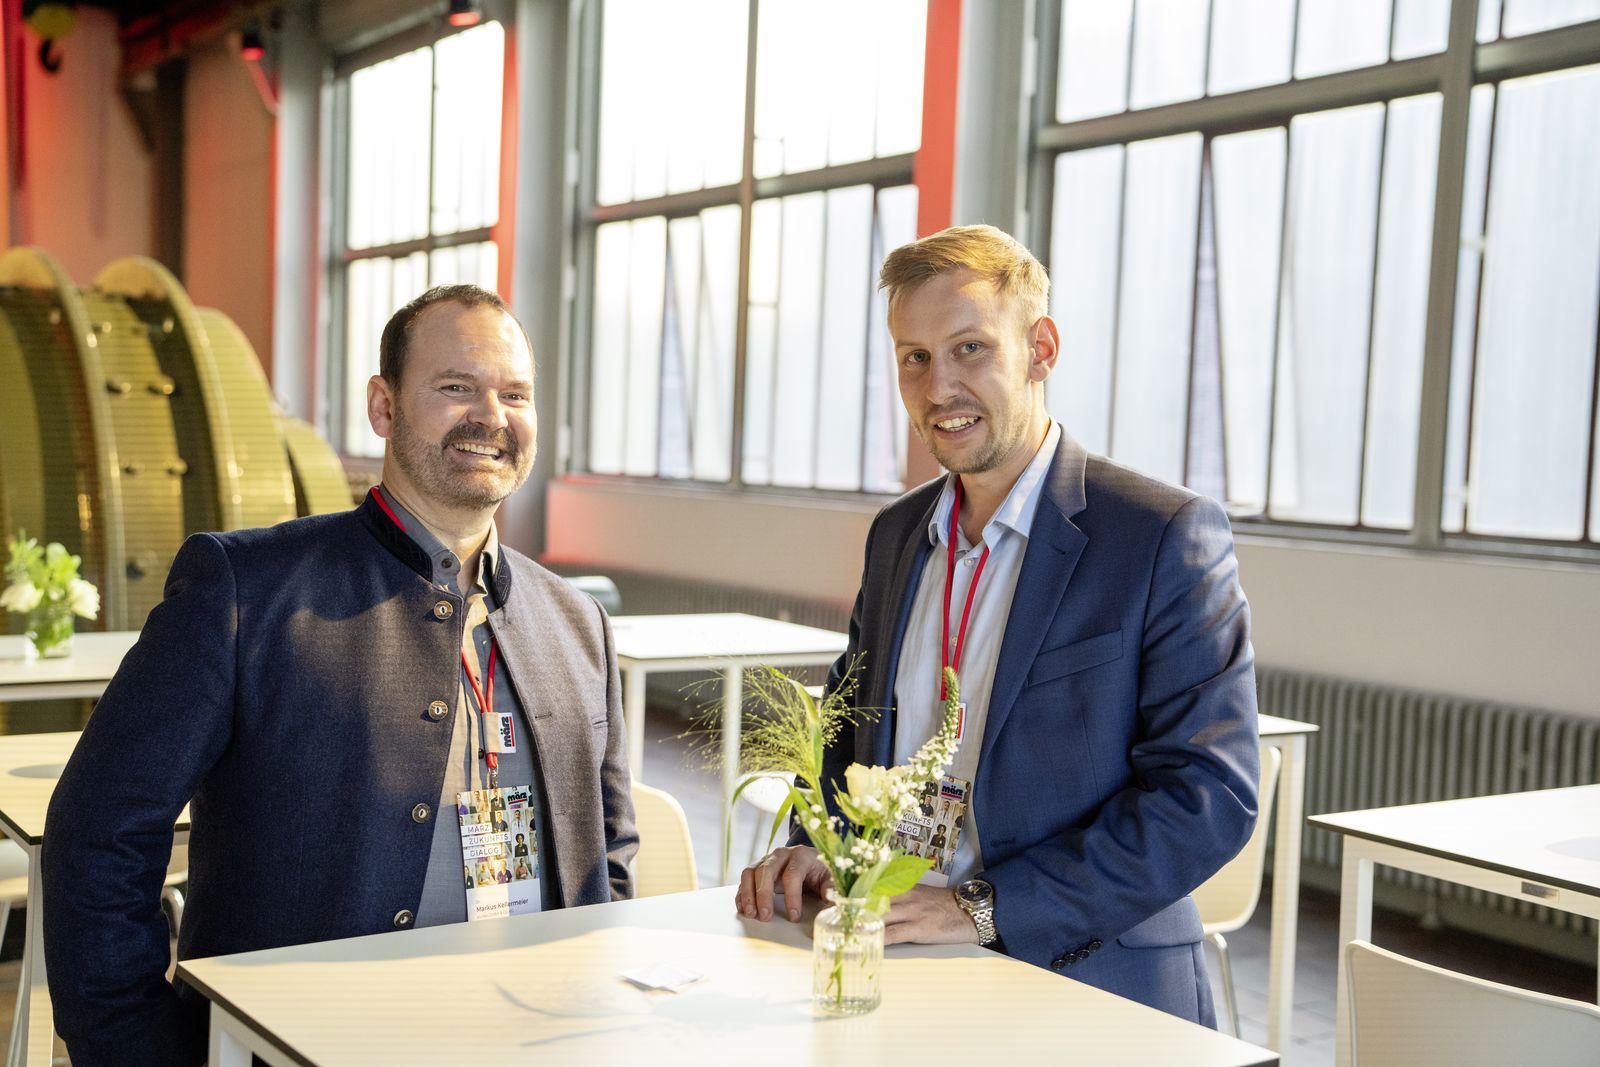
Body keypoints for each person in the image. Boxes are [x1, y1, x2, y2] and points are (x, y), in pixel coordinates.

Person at [42, 284, 639, 1065]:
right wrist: (141, 1046)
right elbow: (100, 834)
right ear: (383, 406)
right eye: (456, 386)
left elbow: (610, 853)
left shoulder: (577, 622)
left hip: (536, 1039)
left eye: (515, 394)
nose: (491, 416)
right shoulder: (246, 592)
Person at [737, 226, 1258, 1025]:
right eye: (914, 357)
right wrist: (818, 843)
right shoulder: (898, 535)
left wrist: (982, 907)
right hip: (903, 957)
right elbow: (848, 727)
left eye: (970, 348)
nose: (939, 386)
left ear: (1040, 350)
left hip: (1088, 979)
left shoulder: (1159, 535)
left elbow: (1208, 797)